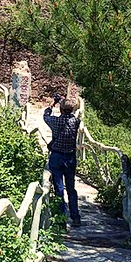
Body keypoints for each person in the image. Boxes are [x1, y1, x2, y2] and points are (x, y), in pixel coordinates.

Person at [44, 94, 82, 226]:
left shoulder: (55, 121)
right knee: (71, 188)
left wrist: (53, 103)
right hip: (70, 158)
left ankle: (61, 219)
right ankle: (75, 217)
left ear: (60, 109)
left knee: (59, 189)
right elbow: (73, 114)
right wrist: (64, 103)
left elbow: (46, 115)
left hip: (57, 157)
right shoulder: (76, 122)